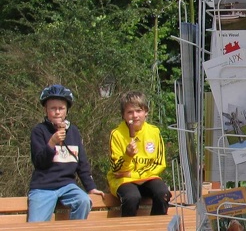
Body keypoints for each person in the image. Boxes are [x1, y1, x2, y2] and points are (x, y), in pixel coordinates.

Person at [28, 84, 103, 222]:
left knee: (84, 201)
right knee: (35, 227)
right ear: (46, 110)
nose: (57, 112)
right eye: (53, 108)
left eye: (61, 108)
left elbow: (82, 163)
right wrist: (51, 143)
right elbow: (39, 162)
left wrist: (91, 187)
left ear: (66, 111)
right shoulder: (39, 131)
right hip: (43, 187)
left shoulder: (73, 131)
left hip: (67, 185)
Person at [107, 91, 171, 216]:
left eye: (138, 111)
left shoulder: (154, 132)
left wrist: (134, 174)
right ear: (123, 115)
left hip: (147, 177)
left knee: (163, 193)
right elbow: (116, 169)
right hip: (124, 180)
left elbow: (159, 163)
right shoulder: (116, 134)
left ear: (145, 112)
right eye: (130, 112)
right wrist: (127, 155)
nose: (135, 116)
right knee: (132, 197)